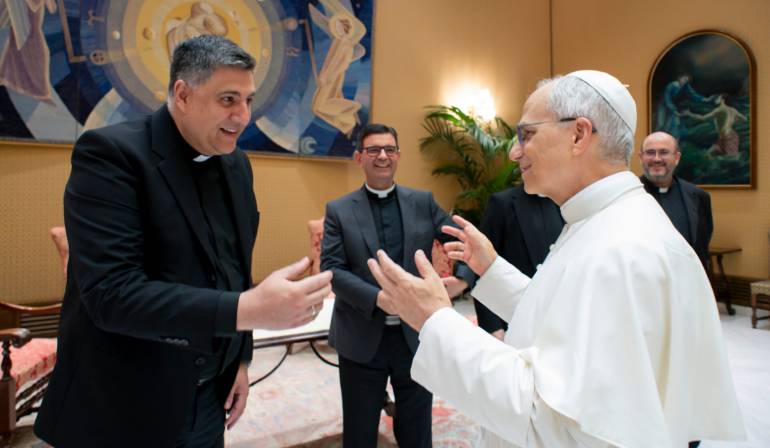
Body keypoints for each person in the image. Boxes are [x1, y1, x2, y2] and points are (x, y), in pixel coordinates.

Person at [367, 70, 745, 447]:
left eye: (526, 134)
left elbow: (551, 420)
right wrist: (493, 269)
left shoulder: (622, 250)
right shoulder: (602, 221)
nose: (514, 152)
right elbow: (560, 320)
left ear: (578, 135)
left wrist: (436, 321)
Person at [34, 35, 332, 448]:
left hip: (210, 399)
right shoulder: (110, 155)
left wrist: (239, 359)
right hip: (124, 403)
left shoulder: (237, 165)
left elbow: (234, 271)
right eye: (228, 99)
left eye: (248, 100)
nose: (242, 115)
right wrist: (247, 310)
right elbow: (112, 295)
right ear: (183, 93)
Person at [320, 123, 465, 447]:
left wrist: (462, 280)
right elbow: (332, 269)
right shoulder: (339, 210)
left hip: (415, 337)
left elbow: (461, 240)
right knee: (360, 431)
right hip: (360, 335)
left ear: (398, 156)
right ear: (359, 157)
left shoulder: (423, 202)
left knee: (416, 430)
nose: (382, 156)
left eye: (389, 149)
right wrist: (380, 299)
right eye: (373, 150)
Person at [456, 185, 563, 340]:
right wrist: (493, 327)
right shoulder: (502, 203)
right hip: (509, 317)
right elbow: (484, 268)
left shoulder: (563, 203)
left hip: (554, 316)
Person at [639, 131, 713, 269]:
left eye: (664, 152)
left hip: (686, 280)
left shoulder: (699, 197)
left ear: (677, 158)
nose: (656, 159)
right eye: (650, 152)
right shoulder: (627, 196)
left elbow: (702, 245)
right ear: (641, 157)